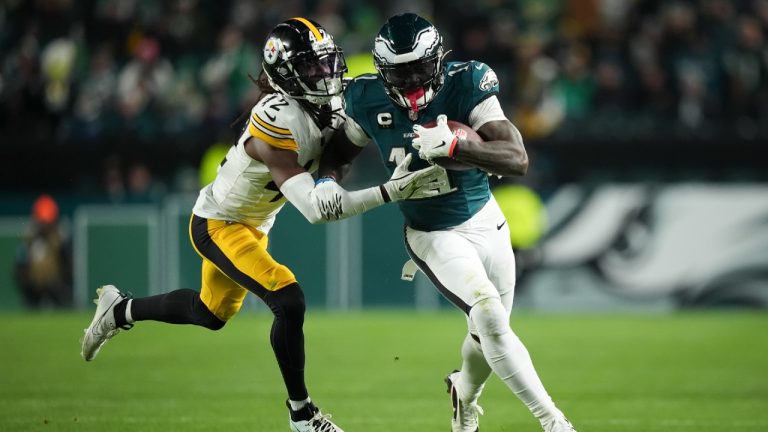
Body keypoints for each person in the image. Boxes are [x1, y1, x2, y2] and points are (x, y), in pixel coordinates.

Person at [79, 17, 447, 432]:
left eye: (327, 64)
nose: (325, 75)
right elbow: (314, 210)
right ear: (285, 76)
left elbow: (348, 143)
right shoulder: (276, 120)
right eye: (311, 68)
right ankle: (303, 415)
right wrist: (392, 191)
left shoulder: (332, 101)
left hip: (255, 224)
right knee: (289, 301)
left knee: (210, 313)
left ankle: (120, 310)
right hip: (221, 223)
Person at [314, 13, 577, 432]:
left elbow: (517, 159)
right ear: (383, 72)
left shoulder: (467, 82)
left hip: (488, 221)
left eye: (420, 68)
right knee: (488, 315)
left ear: (439, 59)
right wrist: (327, 178)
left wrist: (458, 145)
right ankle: (555, 423)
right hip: (432, 233)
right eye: (401, 73)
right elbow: (340, 151)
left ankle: (464, 396)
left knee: (487, 332)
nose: (414, 81)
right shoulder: (366, 98)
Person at [14, 194, 72, 309]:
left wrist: (62, 286)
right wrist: (27, 286)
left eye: (47, 222)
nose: (44, 225)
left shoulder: (59, 239)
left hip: (55, 289)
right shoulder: (28, 240)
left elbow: (67, 266)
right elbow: (18, 268)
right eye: (42, 221)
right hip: (33, 290)